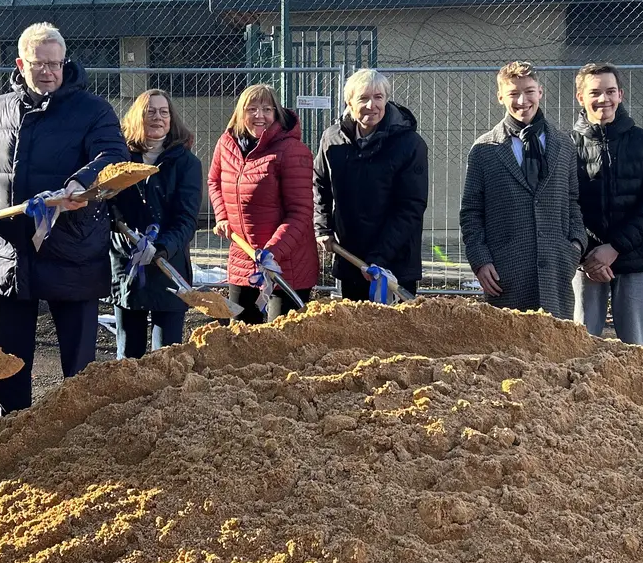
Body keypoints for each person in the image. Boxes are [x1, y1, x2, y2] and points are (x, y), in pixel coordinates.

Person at [0, 22, 128, 415]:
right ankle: (12, 427)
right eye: (39, 64)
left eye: (55, 64)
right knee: (9, 355)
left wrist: (79, 184)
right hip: (11, 250)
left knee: (79, 362)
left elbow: (112, 155)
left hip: (72, 247)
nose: (49, 72)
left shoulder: (93, 110)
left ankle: (75, 432)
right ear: (21, 63)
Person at [460, 61, 585, 319]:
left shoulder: (563, 145)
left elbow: (572, 200)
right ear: (500, 97)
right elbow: (471, 211)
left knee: (555, 352)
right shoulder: (484, 150)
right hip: (506, 274)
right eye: (513, 93)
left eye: (529, 91)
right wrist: (480, 260)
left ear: (540, 92)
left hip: (556, 272)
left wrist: (574, 246)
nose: (522, 100)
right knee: (508, 354)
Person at [570, 64, 643, 344]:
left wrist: (615, 247)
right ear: (581, 97)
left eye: (610, 91)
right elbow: (565, 203)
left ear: (620, 94)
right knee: (581, 344)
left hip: (634, 258)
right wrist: (590, 254)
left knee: (636, 349)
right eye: (595, 92)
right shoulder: (566, 143)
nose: (604, 99)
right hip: (586, 263)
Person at [313, 69, 429, 300]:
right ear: (349, 101)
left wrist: (380, 256)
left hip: (394, 262)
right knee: (357, 332)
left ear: (386, 99)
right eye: (363, 98)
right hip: (351, 256)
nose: (371, 105)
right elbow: (320, 184)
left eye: (378, 97)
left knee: (394, 333)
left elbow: (410, 206)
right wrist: (323, 227)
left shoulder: (409, 144)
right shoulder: (332, 139)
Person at [208, 83, 316, 322]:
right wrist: (222, 215)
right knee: (240, 335)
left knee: (279, 341)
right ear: (240, 113)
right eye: (252, 109)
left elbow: (300, 212)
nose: (260, 115)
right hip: (243, 257)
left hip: (286, 264)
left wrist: (272, 253)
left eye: (267, 109)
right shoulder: (227, 144)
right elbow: (214, 180)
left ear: (276, 114)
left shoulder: (291, 150)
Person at [109, 89, 202, 359]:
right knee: (129, 357)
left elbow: (186, 219)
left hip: (168, 267)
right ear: (139, 117)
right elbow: (106, 202)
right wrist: (115, 222)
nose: (157, 117)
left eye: (164, 112)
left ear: (171, 120)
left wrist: (162, 247)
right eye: (150, 111)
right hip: (127, 266)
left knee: (166, 356)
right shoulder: (119, 159)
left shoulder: (186, 164)